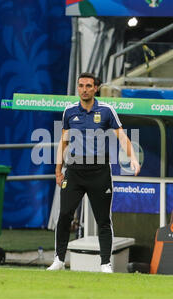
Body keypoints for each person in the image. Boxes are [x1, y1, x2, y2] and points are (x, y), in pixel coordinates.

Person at [47, 72, 141, 273]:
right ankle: (59, 260)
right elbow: (63, 141)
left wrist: (132, 157)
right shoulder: (69, 112)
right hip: (74, 170)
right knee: (64, 214)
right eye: (80, 85)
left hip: (99, 171)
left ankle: (105, 263)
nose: (84, 89)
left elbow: (122, 136)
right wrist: (57, 169)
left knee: (103, 219)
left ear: (96, 88)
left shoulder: (107, 110)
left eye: (88, 86)